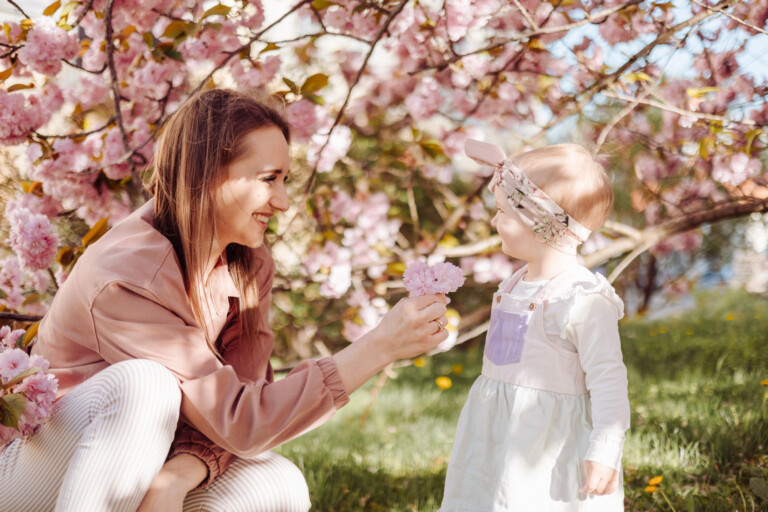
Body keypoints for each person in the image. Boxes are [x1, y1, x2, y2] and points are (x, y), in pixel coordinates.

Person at [0, 88, 450, 512]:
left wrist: (177, 477)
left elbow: (242, 405)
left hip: (145, 462)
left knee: (277, 482)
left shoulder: (248, 264)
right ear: (208, 177)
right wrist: (379, 347)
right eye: (269, 179)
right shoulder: (126, 274)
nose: (284, 201)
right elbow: (242, 422)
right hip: (37, 466)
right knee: (145, 383)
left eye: (285, 179)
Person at [439, 140, 630, 511]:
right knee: (487, 496)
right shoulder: (513, 284)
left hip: (548, 446)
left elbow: (609, 378)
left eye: (503, 213)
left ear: (542, 224)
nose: (494, 221)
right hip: (495, 433)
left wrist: (606, 449)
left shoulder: (582, 299)